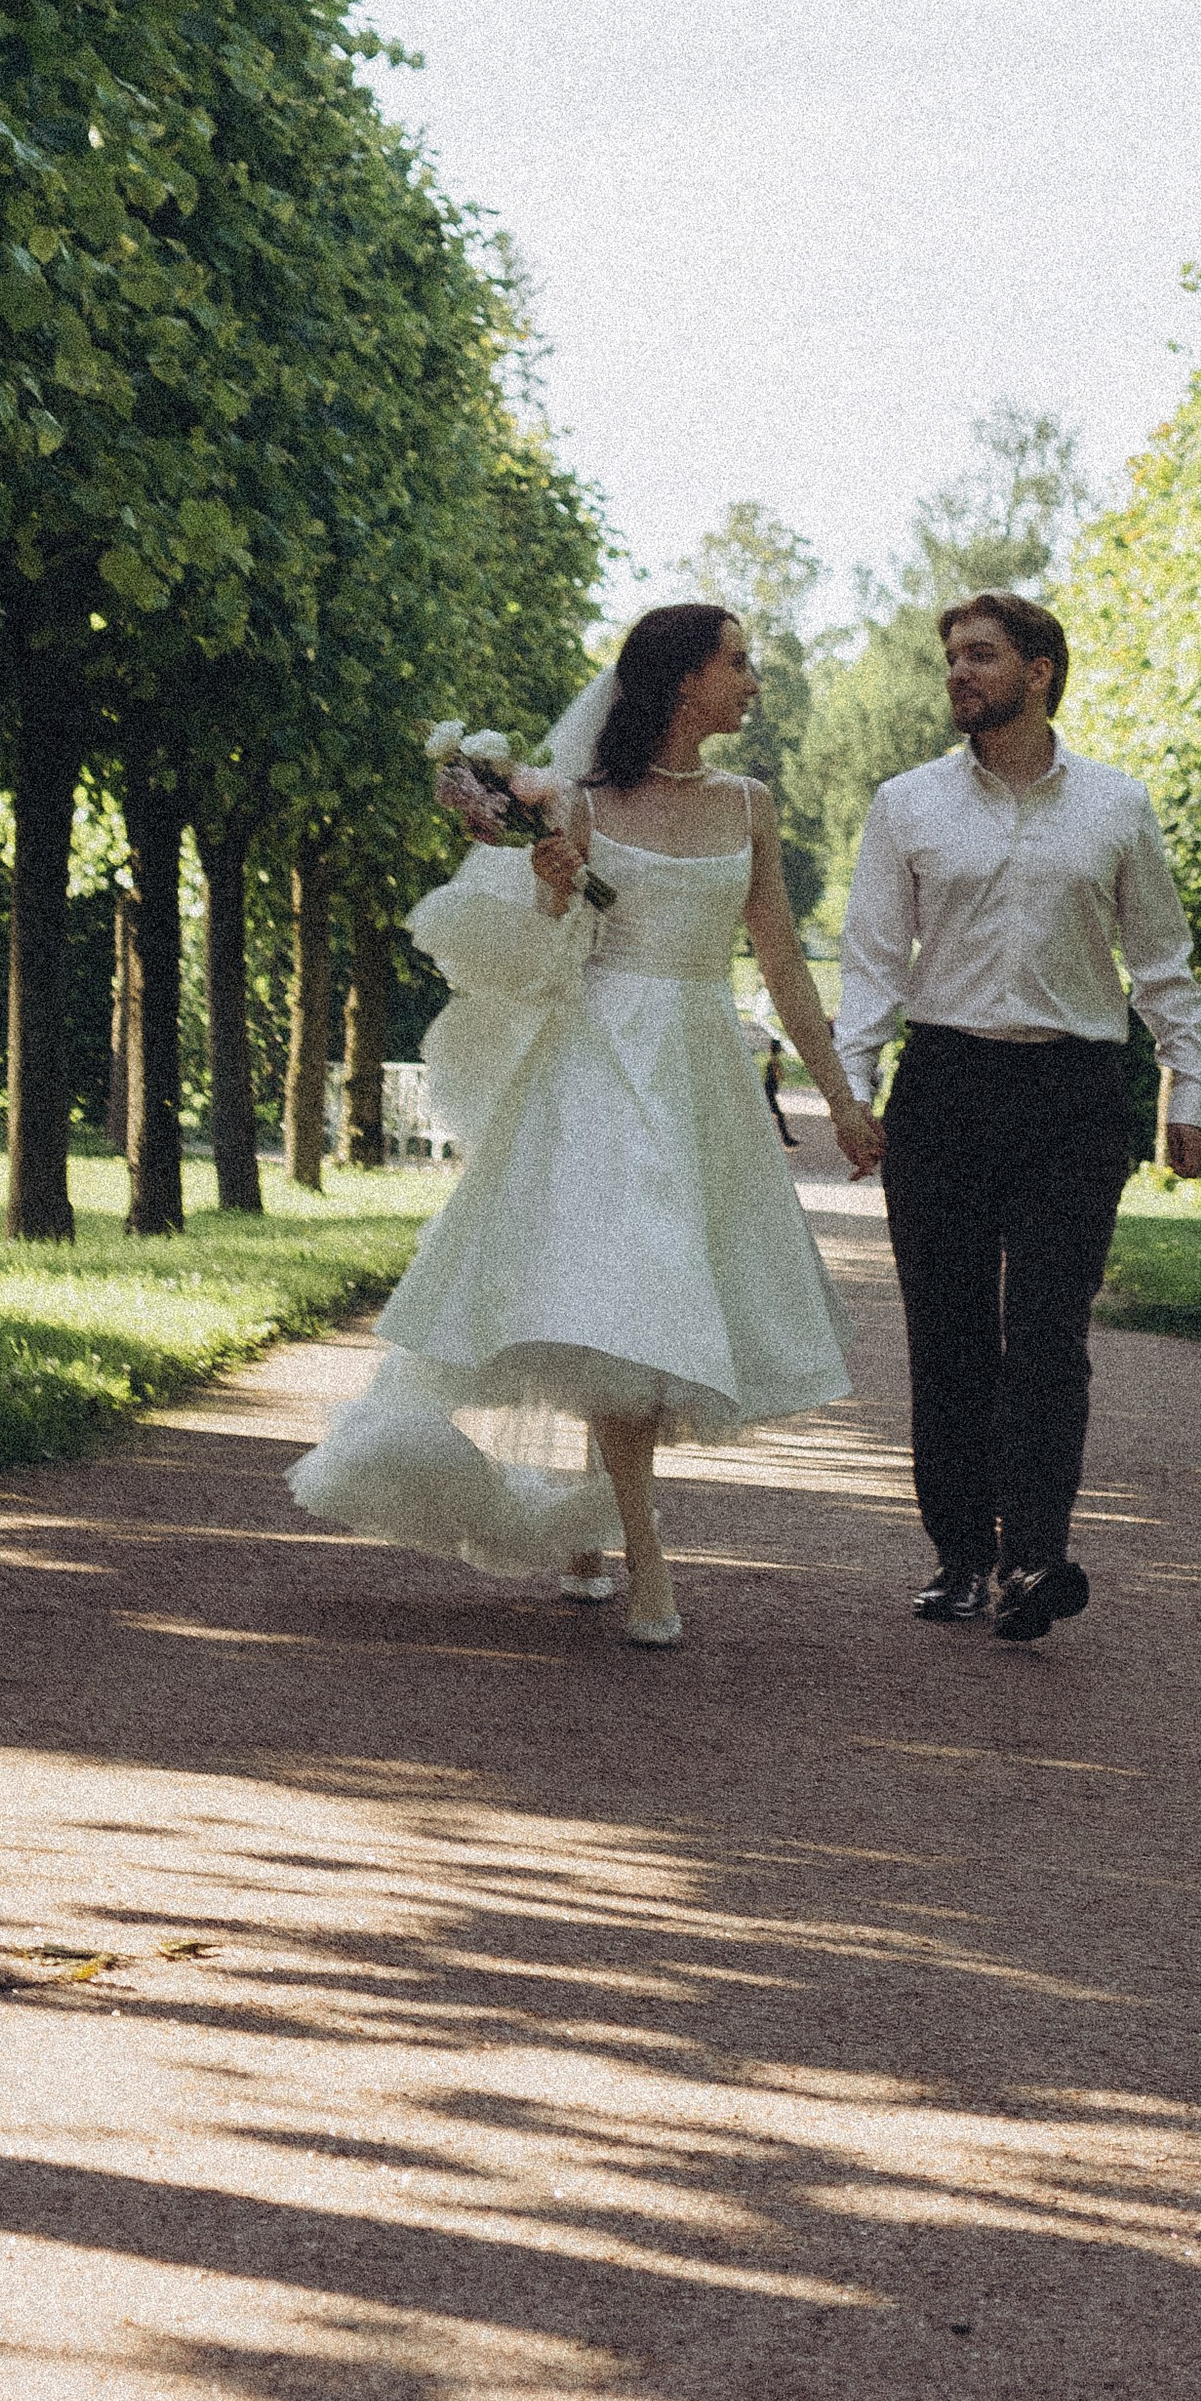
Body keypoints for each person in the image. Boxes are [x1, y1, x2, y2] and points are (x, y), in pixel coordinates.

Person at [290, 606, 881, 1646]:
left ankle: (591, 1528)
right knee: (615, 1293)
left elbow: (782, 961)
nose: (752, 680)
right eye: (737, 663)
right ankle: (645, 1558)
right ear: (684, 679)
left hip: (697, 1067)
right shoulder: (580, 804)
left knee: (643, 1296)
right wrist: (553, 891)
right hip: (599, 1065)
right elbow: (545, 963)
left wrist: (838, 1097)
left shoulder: (749, 804)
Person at [835, 590, 1201, 1645]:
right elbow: (872, 960)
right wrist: (852, 1088)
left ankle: (1033, 1557)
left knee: (1048, 1334)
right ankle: (962, 1555)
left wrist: (1193, 1088)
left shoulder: (1114, 805)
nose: (959, 672)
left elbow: (1160, 960)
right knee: (950, 1336)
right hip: (948, 1089)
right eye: (952, 657)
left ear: (1039, 670)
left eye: (981, 655)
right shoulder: (906, 805)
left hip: (1072, 1096)